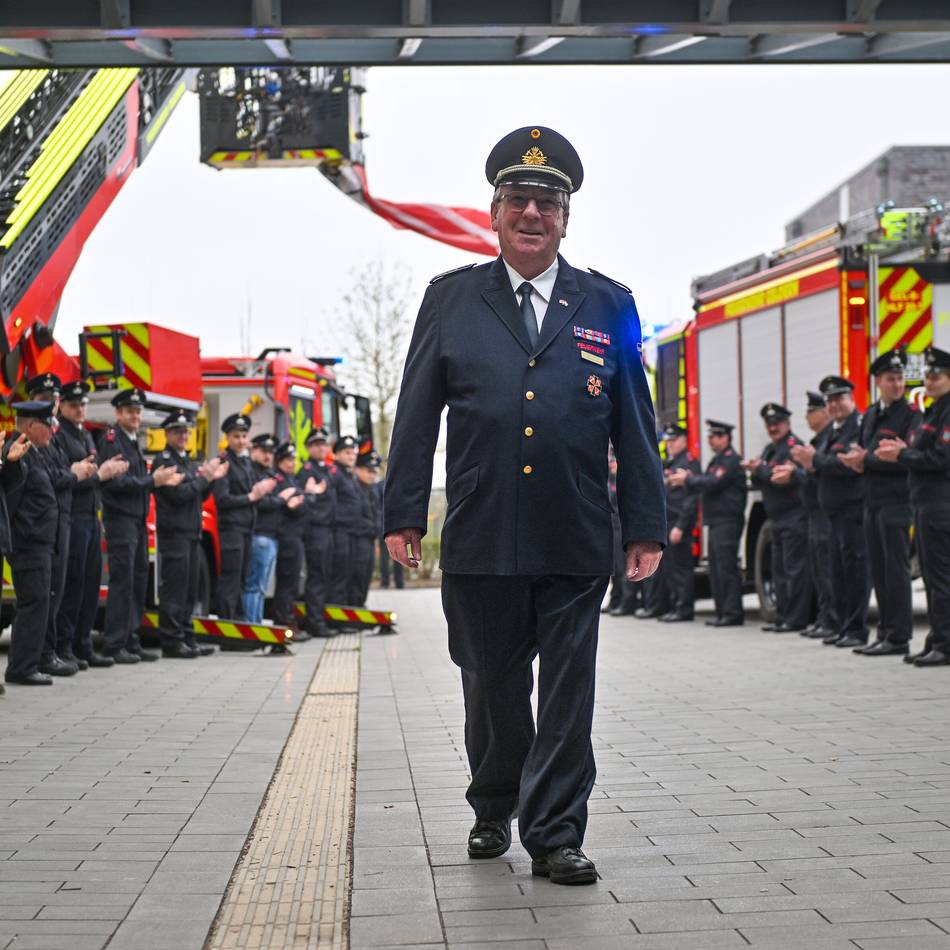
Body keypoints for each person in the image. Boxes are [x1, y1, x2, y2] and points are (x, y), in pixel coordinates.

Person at [384, 126, 665, 885]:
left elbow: (634, 422)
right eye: (519, 200)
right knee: (491, 681)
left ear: (566, 218)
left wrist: (644, 524)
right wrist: (403, 512)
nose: (532, 213)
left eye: (548, 202)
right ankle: (493, 801)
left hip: (574, 529)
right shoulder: (450, 300)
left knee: (570, 692)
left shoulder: (610, 304)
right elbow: (415, 413)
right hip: (481, 528)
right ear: (494, 212)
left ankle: (555, 834)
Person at [838, 349, 919, 657]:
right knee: (880, 570)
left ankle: (899, 635)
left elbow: (903, 458)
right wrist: (858, 462)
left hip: (897, 502)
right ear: (878, 382)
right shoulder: (871, 414)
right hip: (871, 502)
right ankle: (885, 630)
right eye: (891, 379)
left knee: (896, 571)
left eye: (900, 379)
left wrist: (866, 459)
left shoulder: (910, 416)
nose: (897, 384)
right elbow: (866, 451)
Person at [877, 346, 950, 667]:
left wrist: (902, 455)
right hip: (924, 504)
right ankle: (936, 638)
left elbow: (940, 458)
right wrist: (905, 450)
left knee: (941, 577)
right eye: (927, 376)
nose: (929, 382)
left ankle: (946, 645)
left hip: (940, 505)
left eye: (936, 376)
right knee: (932, 579)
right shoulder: (934, 410)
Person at [100, 388, 183, 663]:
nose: (136, 416)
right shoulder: (113, 440)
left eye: (138, 411)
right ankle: (114, 644)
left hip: (135, 520)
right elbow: (117, 484)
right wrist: (152, 482)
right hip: (120, 519)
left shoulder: (132, 440)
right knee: (122, 583)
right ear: (118, 413)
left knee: (137, 582)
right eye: (130, 411)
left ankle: (132, 641)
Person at [25, 373, 98, 676]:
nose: (52, 405)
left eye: (53, 399)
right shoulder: (39, 440)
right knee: (52, 592)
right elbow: (55, 478)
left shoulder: (57, 436)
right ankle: (46, 654)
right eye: (46, 399)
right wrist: (78, 472)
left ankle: (56, 650)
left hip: (70, 517)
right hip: (53, 522)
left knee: (69, 587)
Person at [54, 380, 127, 670]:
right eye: (74, 405)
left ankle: (83, 645)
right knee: (72, 585)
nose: (80, 409)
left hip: (90, 517)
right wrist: (102, 475)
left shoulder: (84, 434)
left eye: (83, 404)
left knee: (89, 585)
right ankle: (66, 645)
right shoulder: (61, 435)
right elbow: (70, 479)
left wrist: (99, 475)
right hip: (72, 516)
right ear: (62, 406)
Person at [792, 375, 869, 649]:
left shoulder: (856, 427)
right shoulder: (836, 430)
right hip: (834, 513)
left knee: (856, 573)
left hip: (852, 510)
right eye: (831, 401)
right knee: (838, 574)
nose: (835, 405)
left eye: (840, 399)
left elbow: (843, 464)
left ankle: (856, 629)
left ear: (852, 399)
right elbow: (825, 464)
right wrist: (814, 462)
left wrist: (814, 460)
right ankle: (844, 626)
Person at [153, 411, 228, 658]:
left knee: (189, 589)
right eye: (178, 432)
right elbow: (178, 496)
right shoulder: (164, 461)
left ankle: (187, 636)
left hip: (191, 533)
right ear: (167, 434)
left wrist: (210, 480)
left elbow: (199, 495)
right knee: (174, 590)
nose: (184, 436)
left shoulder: (187, 461)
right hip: (174, 533)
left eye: (186, 432)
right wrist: (202, 478)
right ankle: (173, 642)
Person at [4, 402, 67, 685]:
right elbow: (13, 498)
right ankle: (21, 667)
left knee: (38, 602)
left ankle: (27, 664)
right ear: (30, 426)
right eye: (47, 425)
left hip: (39, 541)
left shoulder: (34, 453)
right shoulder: (16, 451)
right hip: (28, 542)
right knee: (34, 602)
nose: (52, 432)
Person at [668, 419, 746, 627]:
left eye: (714, 436)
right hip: (716, 521)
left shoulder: (730, 459)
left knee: (727, 568)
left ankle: (732, 613)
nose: (710, 440)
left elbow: (713, 482)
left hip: (727, 520)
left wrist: (688, 480)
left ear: (725, 437)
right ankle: (723, 613)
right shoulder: (717, 460)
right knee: (717, 568)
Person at [744, 403, 810, 633]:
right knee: (779, 570)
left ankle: (796, 619)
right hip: (776, 518)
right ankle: (783, 616)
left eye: (777, 423)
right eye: (769, 425)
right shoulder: (770, 450)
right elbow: (764, 478)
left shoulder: (793, 447)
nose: (773, 428)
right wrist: (758, 470)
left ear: (788, 424)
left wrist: (760, 469)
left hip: (794, 516)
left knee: (795, 571)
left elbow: (777, 476)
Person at [212, 414, 275, 620]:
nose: (240, 441)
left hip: (247, 527)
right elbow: (222, 499)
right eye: (236, 436)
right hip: (231, 528)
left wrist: (261, 491)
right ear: (228, 438)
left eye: (244, 436)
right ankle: (228, 624)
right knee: (230, 578)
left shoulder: (246, 462)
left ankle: (239, 624)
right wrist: (251, 496)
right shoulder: (225, 462)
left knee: (242, 578)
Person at [788, 392, 838, 640]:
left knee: (828, 570)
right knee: (819, 569)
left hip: (824, 512)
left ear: (823, 413)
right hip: (814, 512)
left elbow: (819, 471)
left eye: (810, 412)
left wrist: (797, 472)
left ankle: (832, 620)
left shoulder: (828, 438)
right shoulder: (818, 439)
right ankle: (824, 617)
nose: (807, 417)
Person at [243, 433, 294, 624]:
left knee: (260, 587)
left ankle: (256, 625)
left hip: (271, 536)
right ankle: (252, 626)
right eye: (263, 451)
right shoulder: (253, 473)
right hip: (260, 534)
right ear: (253, 450)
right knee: (254, 586)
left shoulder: (267, 474)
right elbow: (260, 502)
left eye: (271, 452)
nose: (268, 456)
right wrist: (281, 500)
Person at [656, 424, 700, 623]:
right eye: (668, 441)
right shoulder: (672, 463)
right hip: (669, 522)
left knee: (681, 568)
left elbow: (691, 500)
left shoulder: (688, 463)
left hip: (679, 523)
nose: (670, 444)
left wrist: (681, 526)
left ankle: (684, 608)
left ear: (684, 440)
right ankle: (675, 606)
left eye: (674, 440)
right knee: (671, 568)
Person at [297, 427, 334, 638]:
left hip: (327, 531)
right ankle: (314, 622)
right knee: (316, 578)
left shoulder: (326, 470)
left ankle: (320, 618)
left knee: (324, 576)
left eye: (323, 444)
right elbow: (307, 506)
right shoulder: (307, 472)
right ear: (309, 448)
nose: (321, 447)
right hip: (315, 532)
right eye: (316, 444)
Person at [271, 441, 308, 635]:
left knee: (293, 581)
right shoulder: (278, 480)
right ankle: (283, 621)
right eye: (287, 460)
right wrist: (292, 504)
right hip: (286, 536)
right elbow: (289, 506)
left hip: (295, 535)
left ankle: (288, 619)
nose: (291, 463)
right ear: (279, 461)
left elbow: (302, 504)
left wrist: (298, 503)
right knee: (286, 581)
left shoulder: (291, 479)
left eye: (293, 459)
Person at [328, 435, 361, 606]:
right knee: (339, 575)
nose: (351, 456)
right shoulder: (335, 473)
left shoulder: (349, 475)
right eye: (347, 453)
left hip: (351, 531)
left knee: (349, 573)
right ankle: (337, 614)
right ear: (337, 454)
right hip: (339, 531)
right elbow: (332, 503)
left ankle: (346, 610)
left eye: (353, 453)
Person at [352, 451, 382, 607]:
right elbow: (355, 516)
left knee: (366, 573)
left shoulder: (373, 489)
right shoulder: (354, 488)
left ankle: (360, 603)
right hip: (358, 539)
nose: (372, 475)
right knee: (357, 573)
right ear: (358, 469)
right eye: (369, 471)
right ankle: (355, 605)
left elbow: (376, 514)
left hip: (369, 539)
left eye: (375, 472)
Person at [375, 467, 404, 590]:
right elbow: (376, 507)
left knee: (400, 554)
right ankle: (385, 582)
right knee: (384, 557)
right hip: (383, 525)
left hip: (398, 524)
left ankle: (399, 582)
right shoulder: (379, 486)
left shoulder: (401, 483)